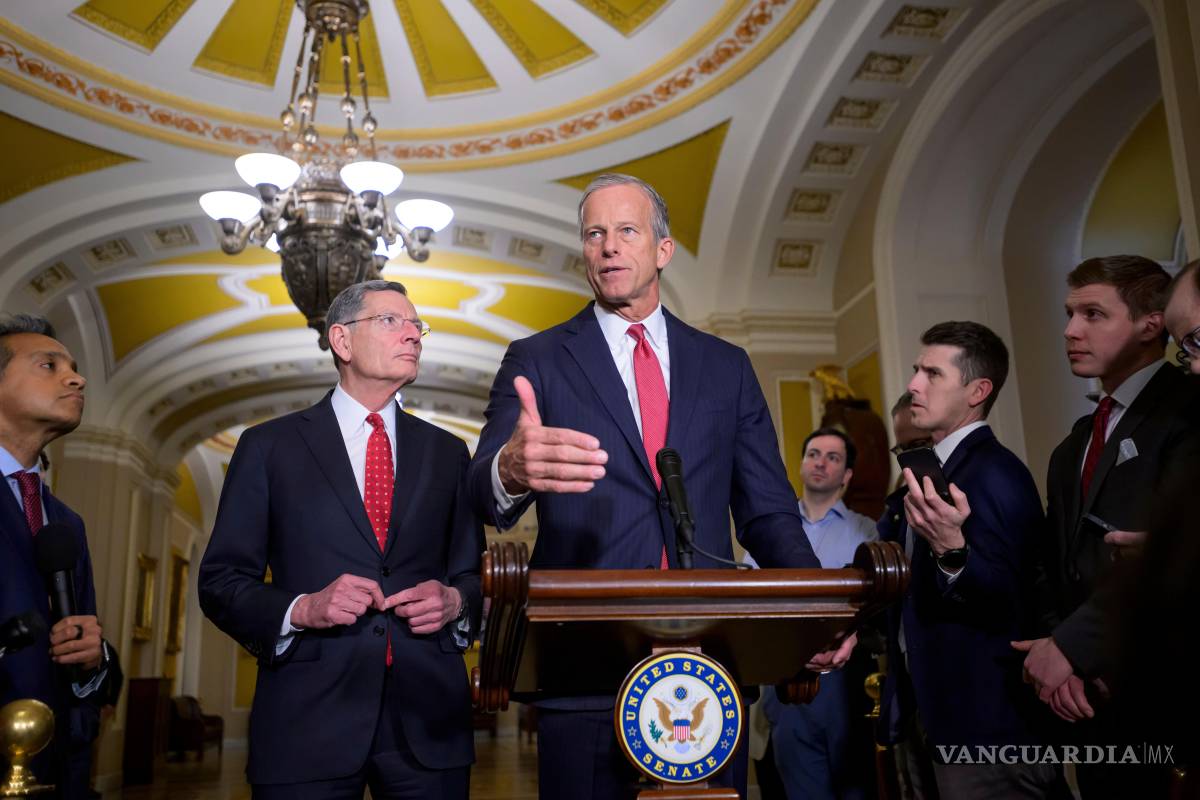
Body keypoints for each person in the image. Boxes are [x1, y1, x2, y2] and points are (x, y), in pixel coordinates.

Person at [466, 173, 851, 799]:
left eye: (626, 231)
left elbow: (768, 513)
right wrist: (509, 469)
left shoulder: (726, 366)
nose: (608, 246)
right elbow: (486, 496)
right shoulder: (537, 359)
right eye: (594, 234)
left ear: (662, 250)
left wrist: (817, 612)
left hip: (710, 671)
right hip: (585, 665)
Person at [198, 281, 483, 799]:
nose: (414, 335)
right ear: (342, 341)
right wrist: (302, 608)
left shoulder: (448, 453)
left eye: (418, 326)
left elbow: (474, 574)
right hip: (306, 722)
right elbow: (220, 582)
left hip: (429, 721)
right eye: (393, 321)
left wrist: (455, 600)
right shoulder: (268, 447)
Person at [1016, 256, 1200, 798]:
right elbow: (1055, 561)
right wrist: (1063, 651)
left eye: (1093, 314)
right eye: (1070, 314)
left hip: (1167, 685)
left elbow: (1182, 553)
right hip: (1087, 697)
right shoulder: (1074, 442)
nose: (1071, 331)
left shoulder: (1189, 409)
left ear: (1151, 324)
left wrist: (1075, 647)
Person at [877, 321, 1068, 799]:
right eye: (916, 370)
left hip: (989, 725)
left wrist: (951, 550)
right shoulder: (935, 471)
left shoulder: (996, 472)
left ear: (977, 390)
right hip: (937, 713)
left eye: (933, 374)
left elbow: (1014, 598)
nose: (914, 385)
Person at [0, 313, 110, 799]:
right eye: (48, 365)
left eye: (74, 367)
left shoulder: (67, 523)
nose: (77, 378)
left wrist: (92, 660)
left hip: (54, 772)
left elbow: (80, 643)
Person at [751, 427, 876, 800]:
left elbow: (874, 608)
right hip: (786, 679)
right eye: (813, 454)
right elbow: (748, 597)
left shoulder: (865, 531)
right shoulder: (770, 531)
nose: (820, 462)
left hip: (846, 682)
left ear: (847, 475)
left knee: (855, 788)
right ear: (801, 464)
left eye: (833, 457)